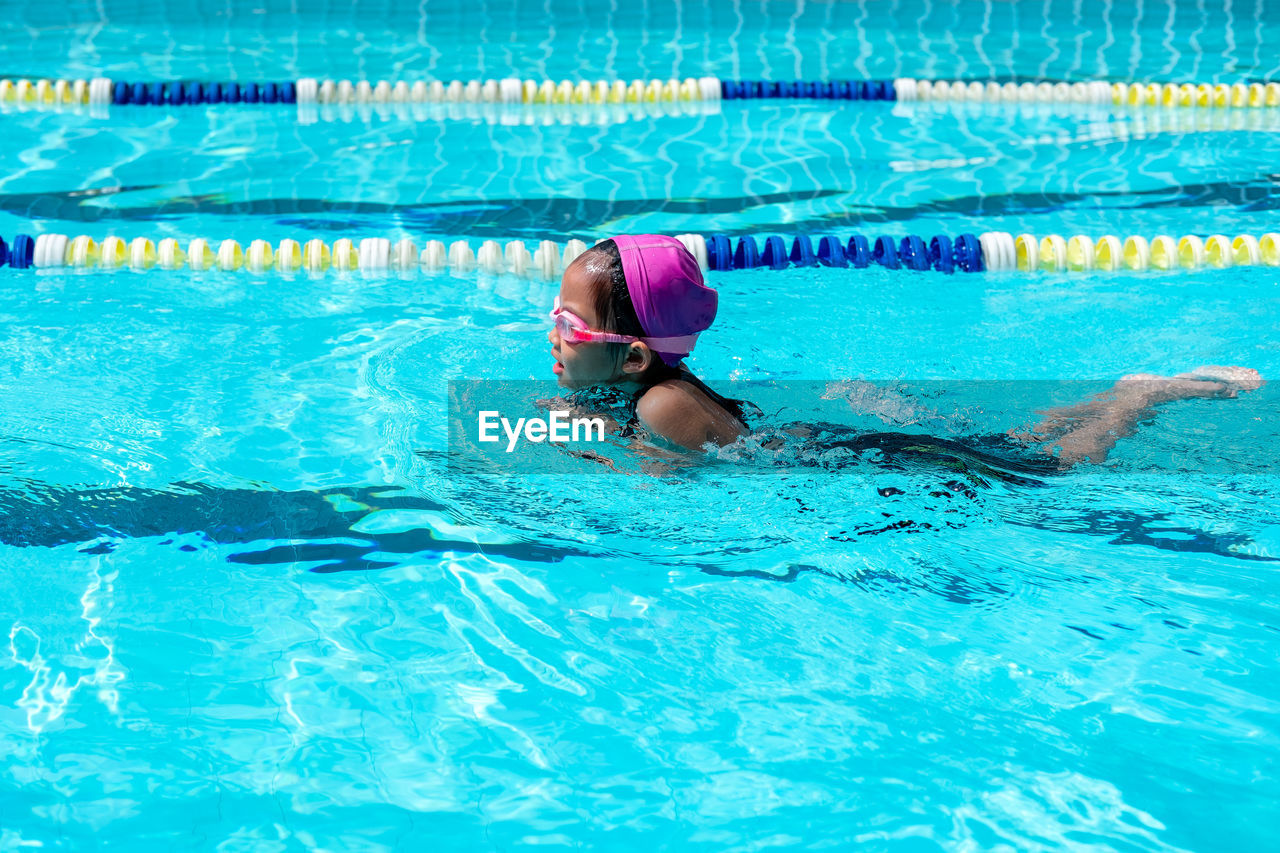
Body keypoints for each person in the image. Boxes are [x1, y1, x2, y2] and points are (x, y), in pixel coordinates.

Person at [548, 234, 1263, 465]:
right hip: (840, 451)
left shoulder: (667, 404)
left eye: (568, 324)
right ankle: (1116, 392)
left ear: (634, 356)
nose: (553, 332)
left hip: (868, 471)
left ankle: (1138, 398)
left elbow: (661, 500)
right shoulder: (658, 385)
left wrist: (586, 447)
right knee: (1011, 443)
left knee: (1048, 467)